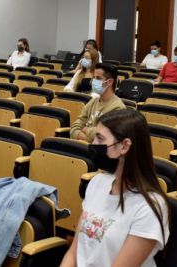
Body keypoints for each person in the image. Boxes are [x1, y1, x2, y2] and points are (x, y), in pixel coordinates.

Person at [61, 109, 170, 267]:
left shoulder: (150, 207)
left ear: (124, 146)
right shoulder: (97, 182)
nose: (93, 144)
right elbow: (73, 253)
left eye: (100, 138)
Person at [70, 63, 126, 143]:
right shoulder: (92, 102)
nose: (94, 81)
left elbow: (105, 137)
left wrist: (86, 129)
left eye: (98, 78)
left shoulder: (118, 108)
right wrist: (89, 138)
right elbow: (75, 127)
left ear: (109, 82)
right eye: (94, 77)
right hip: (82, 149)